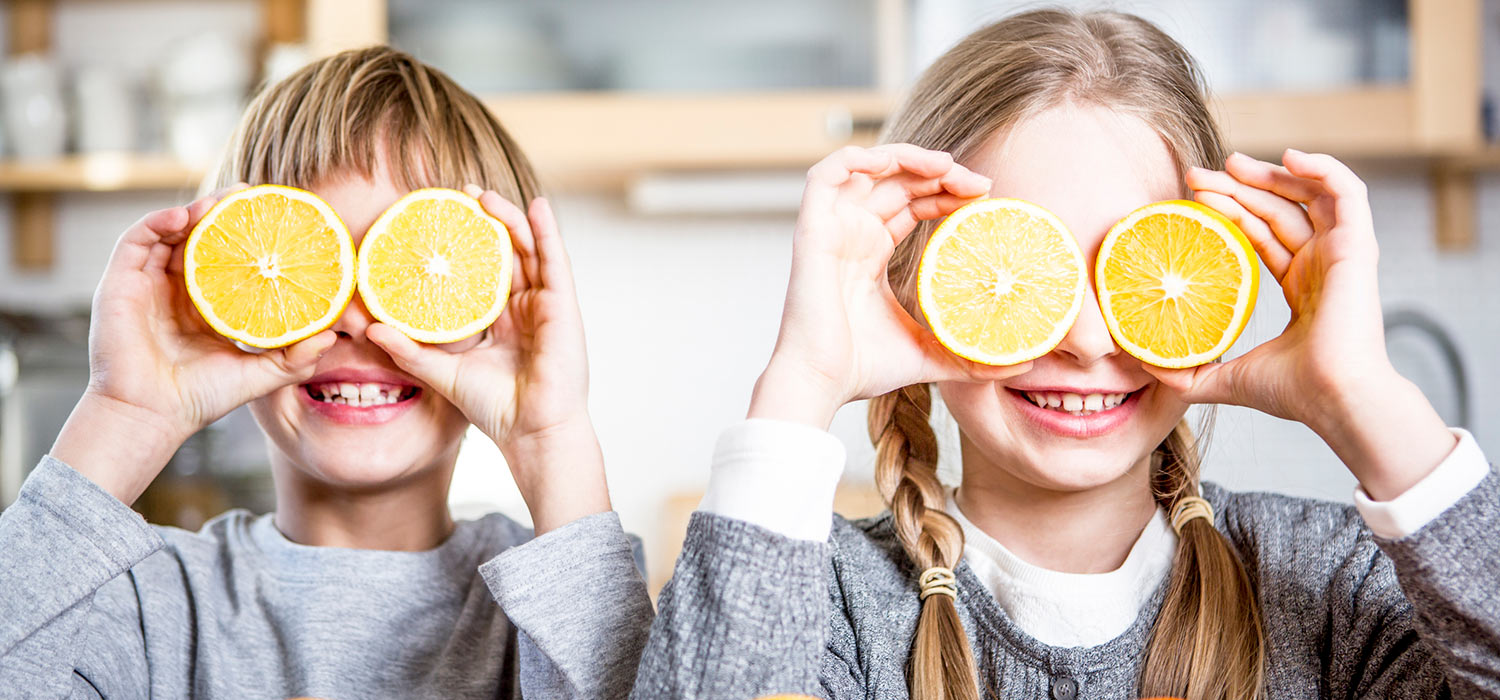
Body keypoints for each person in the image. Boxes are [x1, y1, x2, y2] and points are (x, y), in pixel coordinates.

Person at [633, 10, 1498, 699]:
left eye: (1131, 269)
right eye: (1024, 272)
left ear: (1196, 281)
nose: (1086, 341)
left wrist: (1367, 401)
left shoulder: (1330, 587)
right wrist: (801, 383)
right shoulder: (819, 602)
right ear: (919, 280)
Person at [0, 46, 651, 698]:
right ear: (228, 300)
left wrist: (552, 436)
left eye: (407, 269)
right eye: (313, 268)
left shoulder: (566, 589)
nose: (356, 319)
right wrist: (123, 415)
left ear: (493, 303)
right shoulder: (141, 609)